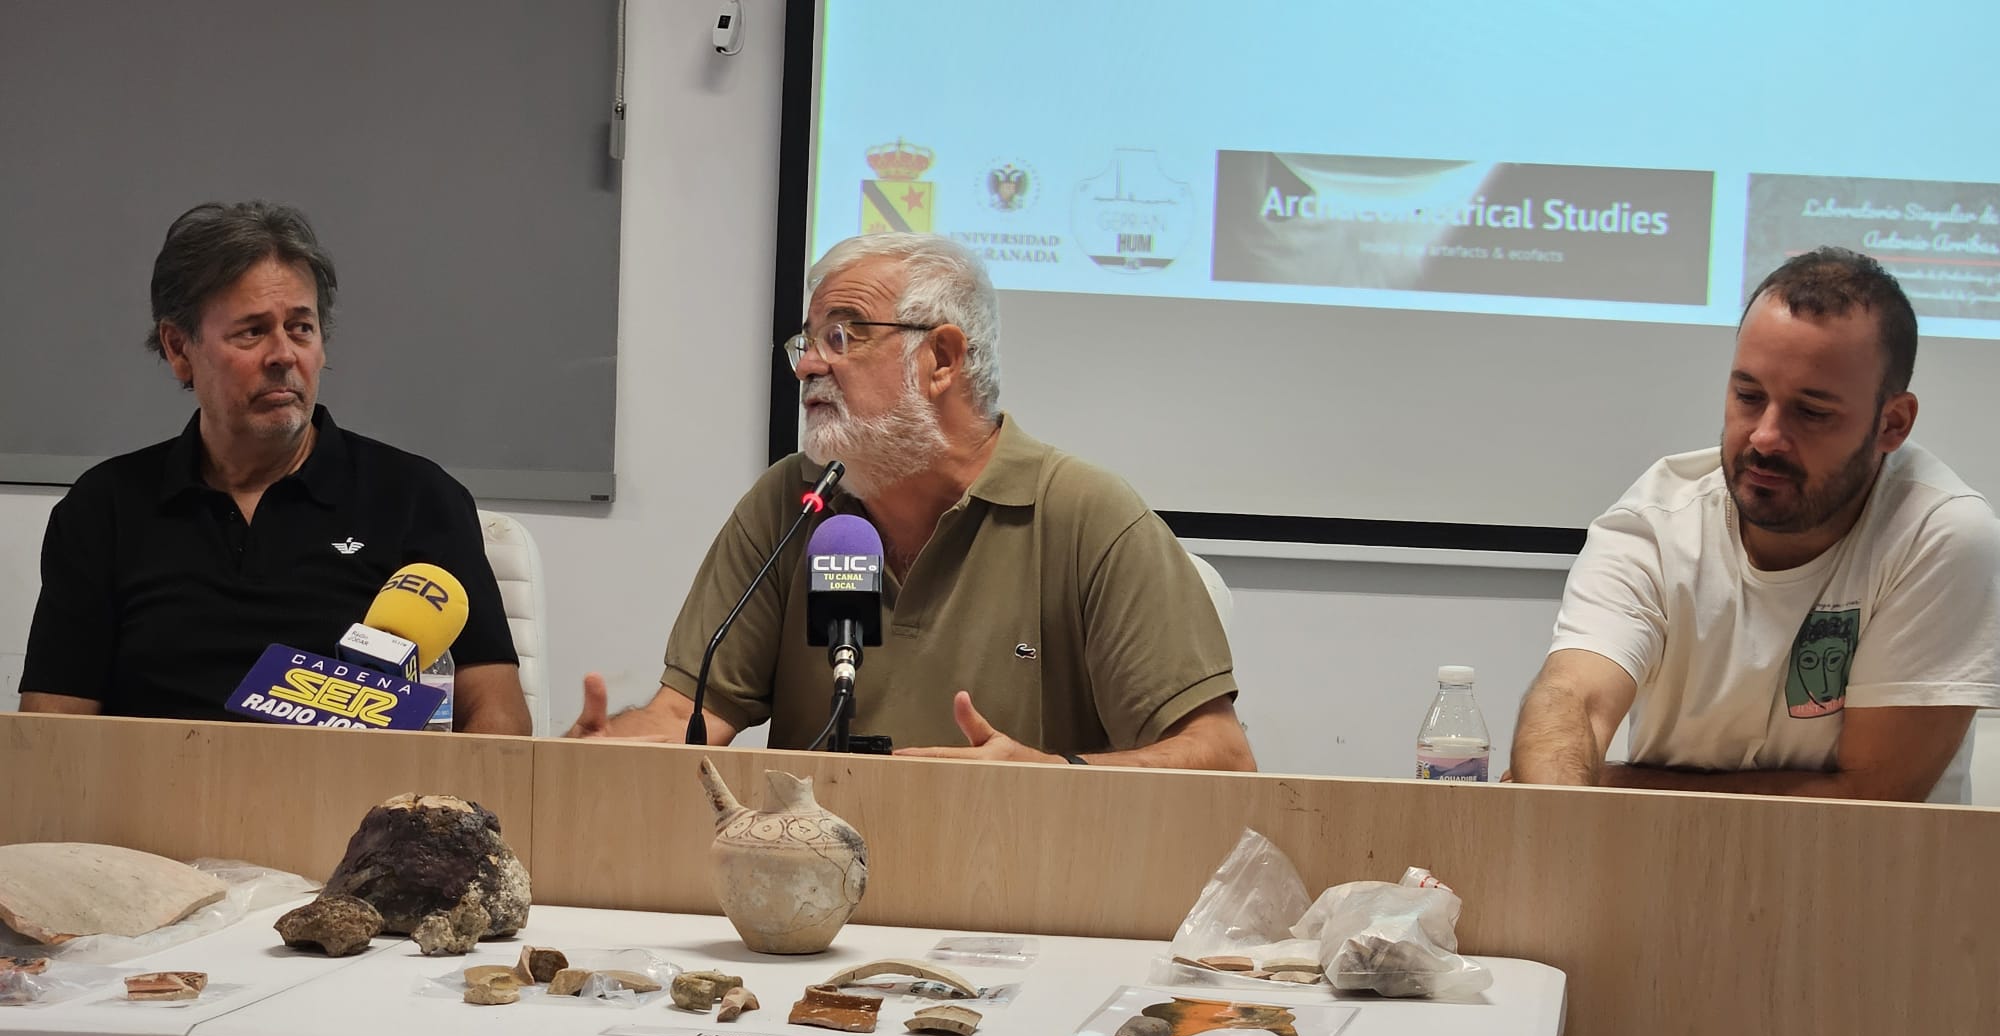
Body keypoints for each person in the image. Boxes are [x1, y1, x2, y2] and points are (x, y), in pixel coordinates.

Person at [569, 232, 1252, 769]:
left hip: (1014, 904)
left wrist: (1056, 774)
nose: (809, 364)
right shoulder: (790, 502)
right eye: (807, 342)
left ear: (943, 360)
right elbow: (685, 716)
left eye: (844, 334)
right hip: (811, 903)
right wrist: (601, 754)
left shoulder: (1083, 515)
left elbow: (1220, 759)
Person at [19, 201, 530, 734]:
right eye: (252, 332)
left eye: (301, 328)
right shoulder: (104, 507)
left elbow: (495, 723)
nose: (284, 354)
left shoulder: (417, 497)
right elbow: (54, 733)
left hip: (354, 808)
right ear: (178, 348)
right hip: (155, 806)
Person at [1509, 247, 2000, 802]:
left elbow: (1873, 800)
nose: (1764, 436)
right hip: (1662, 868)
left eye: (1811, 412)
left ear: (1892, 423)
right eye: (1748, 396)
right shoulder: (1657, 520)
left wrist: (1624, 784)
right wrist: (1555, 804)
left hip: (1870, 879)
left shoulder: (1941, 531)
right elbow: (1573, 699)